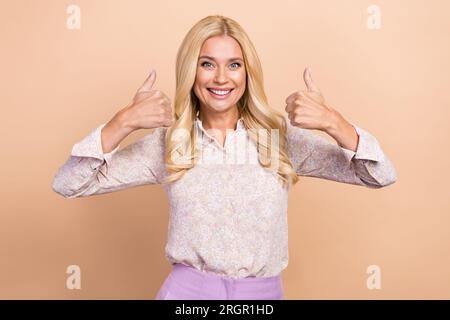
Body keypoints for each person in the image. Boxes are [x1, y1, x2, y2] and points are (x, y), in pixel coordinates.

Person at [52, 15, 397, 300]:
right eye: (207, 64)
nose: (221, 78)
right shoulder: (168, 143)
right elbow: (68, 183)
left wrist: (333, 123)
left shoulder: (281, 141)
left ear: (247, 73)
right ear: (191, 72)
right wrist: (122, 122)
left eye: (234, 65)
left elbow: (380, 174)